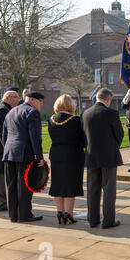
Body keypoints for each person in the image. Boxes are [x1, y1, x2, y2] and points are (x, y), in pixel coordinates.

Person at [82, 88, 124, 229]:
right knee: (109, 190)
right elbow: (119, 134)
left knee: (92, 189)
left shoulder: (85, 113)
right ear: (108, 99)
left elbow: (83, 136)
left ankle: (92, 220)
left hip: (91, 155)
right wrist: (114, 146)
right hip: (109, 156)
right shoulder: (111, 113)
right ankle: (108, 221)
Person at [2, 91, 45, 222]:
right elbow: (35, 137)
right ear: (32, 100)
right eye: (40, 101)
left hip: (10, 152)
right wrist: (39, 156)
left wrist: (7, 149)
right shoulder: (32, 112)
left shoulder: (11, 111)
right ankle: (25, 214)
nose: (41, 104)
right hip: (24, 153)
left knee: (12, 185)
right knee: (25, 185)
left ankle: (13, 215)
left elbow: (5, 135)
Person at [48, 94, 86, 225]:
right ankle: (69, 214)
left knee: (57, 183)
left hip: (56, 154)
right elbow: (82, 139)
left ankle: (60, 212)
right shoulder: (75, 120)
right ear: (71, 105)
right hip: (72, 155)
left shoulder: (51, 119)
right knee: (71, 184)